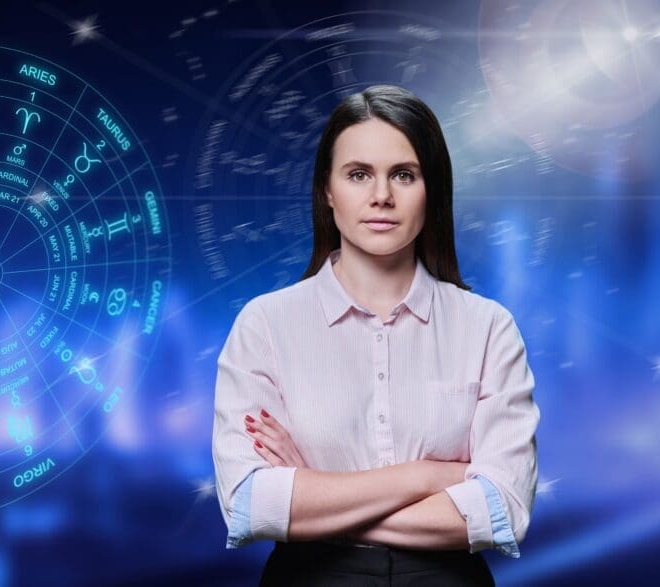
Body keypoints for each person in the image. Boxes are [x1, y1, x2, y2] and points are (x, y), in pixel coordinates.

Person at [211, 84, 540, 586]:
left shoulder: (488, 327)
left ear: (433, 189)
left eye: (404, 175)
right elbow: (252, 504)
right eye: (358, 174)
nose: (381, 196)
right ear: (327, 190)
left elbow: (502, 509)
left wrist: (316, 495)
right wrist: (428, 476)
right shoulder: (265, 325)